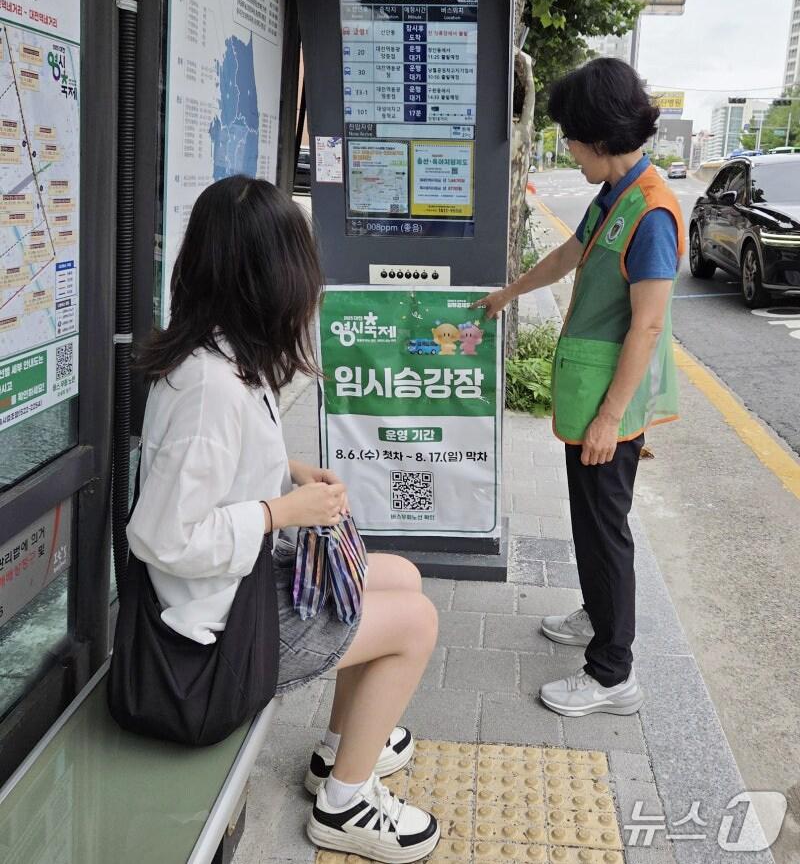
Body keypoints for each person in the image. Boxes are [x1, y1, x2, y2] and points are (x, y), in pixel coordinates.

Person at [128, 175, 440, 863]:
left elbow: (218, 470)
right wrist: (282, 511)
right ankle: (345, 805)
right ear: (267, 279)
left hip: (233, 593)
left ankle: (340, 751)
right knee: (415, 623)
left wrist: (290, 473)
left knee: (401, 576)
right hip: (210, 643)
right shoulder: (210, 385)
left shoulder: (222, 355)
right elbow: (162, 537)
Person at [473, 58, 685, 717]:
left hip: (609, 405)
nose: (565, 147)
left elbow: (648, 325)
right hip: (590, 394)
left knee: (605, 529)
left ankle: (613, 674)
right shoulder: (615, 194)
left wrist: (610, 419)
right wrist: (509, 293)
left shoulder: (652, 212)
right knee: (589, 521)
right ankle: (598, 613)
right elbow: (571, 255)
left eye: (568, 136)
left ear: (597, 137)